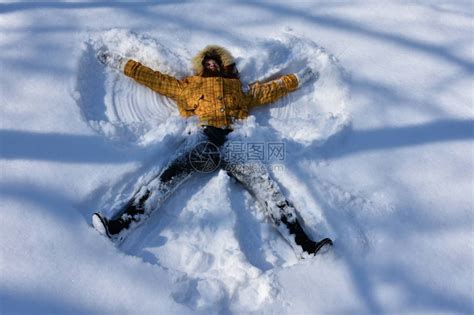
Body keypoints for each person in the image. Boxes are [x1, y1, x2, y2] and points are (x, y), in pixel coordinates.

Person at [92, 45, 333, 256]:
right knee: (165, 178)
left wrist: (302, 77)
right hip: (203, 137)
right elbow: (152, 78)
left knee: (268, 189)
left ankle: (304, 245)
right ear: (201, 67)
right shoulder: (189, 87)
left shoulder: (239, 90)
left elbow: (273, 89)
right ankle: (120, 227)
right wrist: (119, 62)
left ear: (224, 66)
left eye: (216, 61)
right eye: (207, 61)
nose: (211, 63)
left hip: (232, 140)